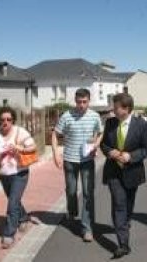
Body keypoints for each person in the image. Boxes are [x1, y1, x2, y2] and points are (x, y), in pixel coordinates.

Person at [101, 93, 147, 259]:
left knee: (128, 205)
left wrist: (131, 156)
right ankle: (123, 244)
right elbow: (103, 144)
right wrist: (110, 151)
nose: (113, 110)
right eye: (114, 107)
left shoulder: (141, 125)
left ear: (126, 108)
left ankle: (125, 222)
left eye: (116, 107)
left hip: (132, 172)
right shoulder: (110, 123)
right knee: (119, 204)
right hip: (113, 172)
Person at [51, 88, 103, 242]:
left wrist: (96, 145)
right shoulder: (67, 116)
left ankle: (87, 228)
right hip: (70, 160)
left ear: (89, 101)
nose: (81, 105)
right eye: (79, 102)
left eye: (84, 102)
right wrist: (55, 153)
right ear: (75, 101)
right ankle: (72, 211)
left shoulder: (94, 116)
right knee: (71, 191)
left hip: (87, 161)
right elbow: (55, 133)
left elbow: (100, 132)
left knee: (88, 193)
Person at [0, 106, 37, 249]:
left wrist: (18, 148)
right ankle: (24, 218)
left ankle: (8, 234)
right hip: (4, 174)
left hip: (20, 173)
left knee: (12, 203)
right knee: (14, 200)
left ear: (13, 120)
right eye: (2, 119)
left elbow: (33, 147)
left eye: (9, 119)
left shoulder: (20, 132)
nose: (5, 122)